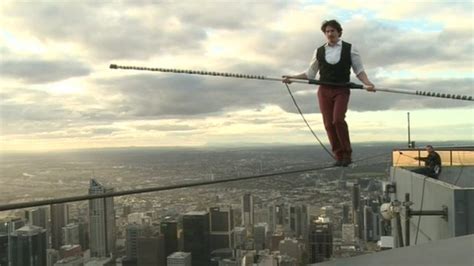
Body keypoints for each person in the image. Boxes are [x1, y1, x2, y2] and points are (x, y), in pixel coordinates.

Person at [283, 19, 375, 167]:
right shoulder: (319, 51)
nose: (330, 33)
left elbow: (359, 71)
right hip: (324, 90)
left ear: (339, 32)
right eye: (327, 31)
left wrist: (368, 83)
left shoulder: (350, 49)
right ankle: (339, 157)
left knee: (337, 120)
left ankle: (347, 154)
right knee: (328, 124)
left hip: (341, 89)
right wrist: (292, 78)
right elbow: (310, 74)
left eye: (332, 30)